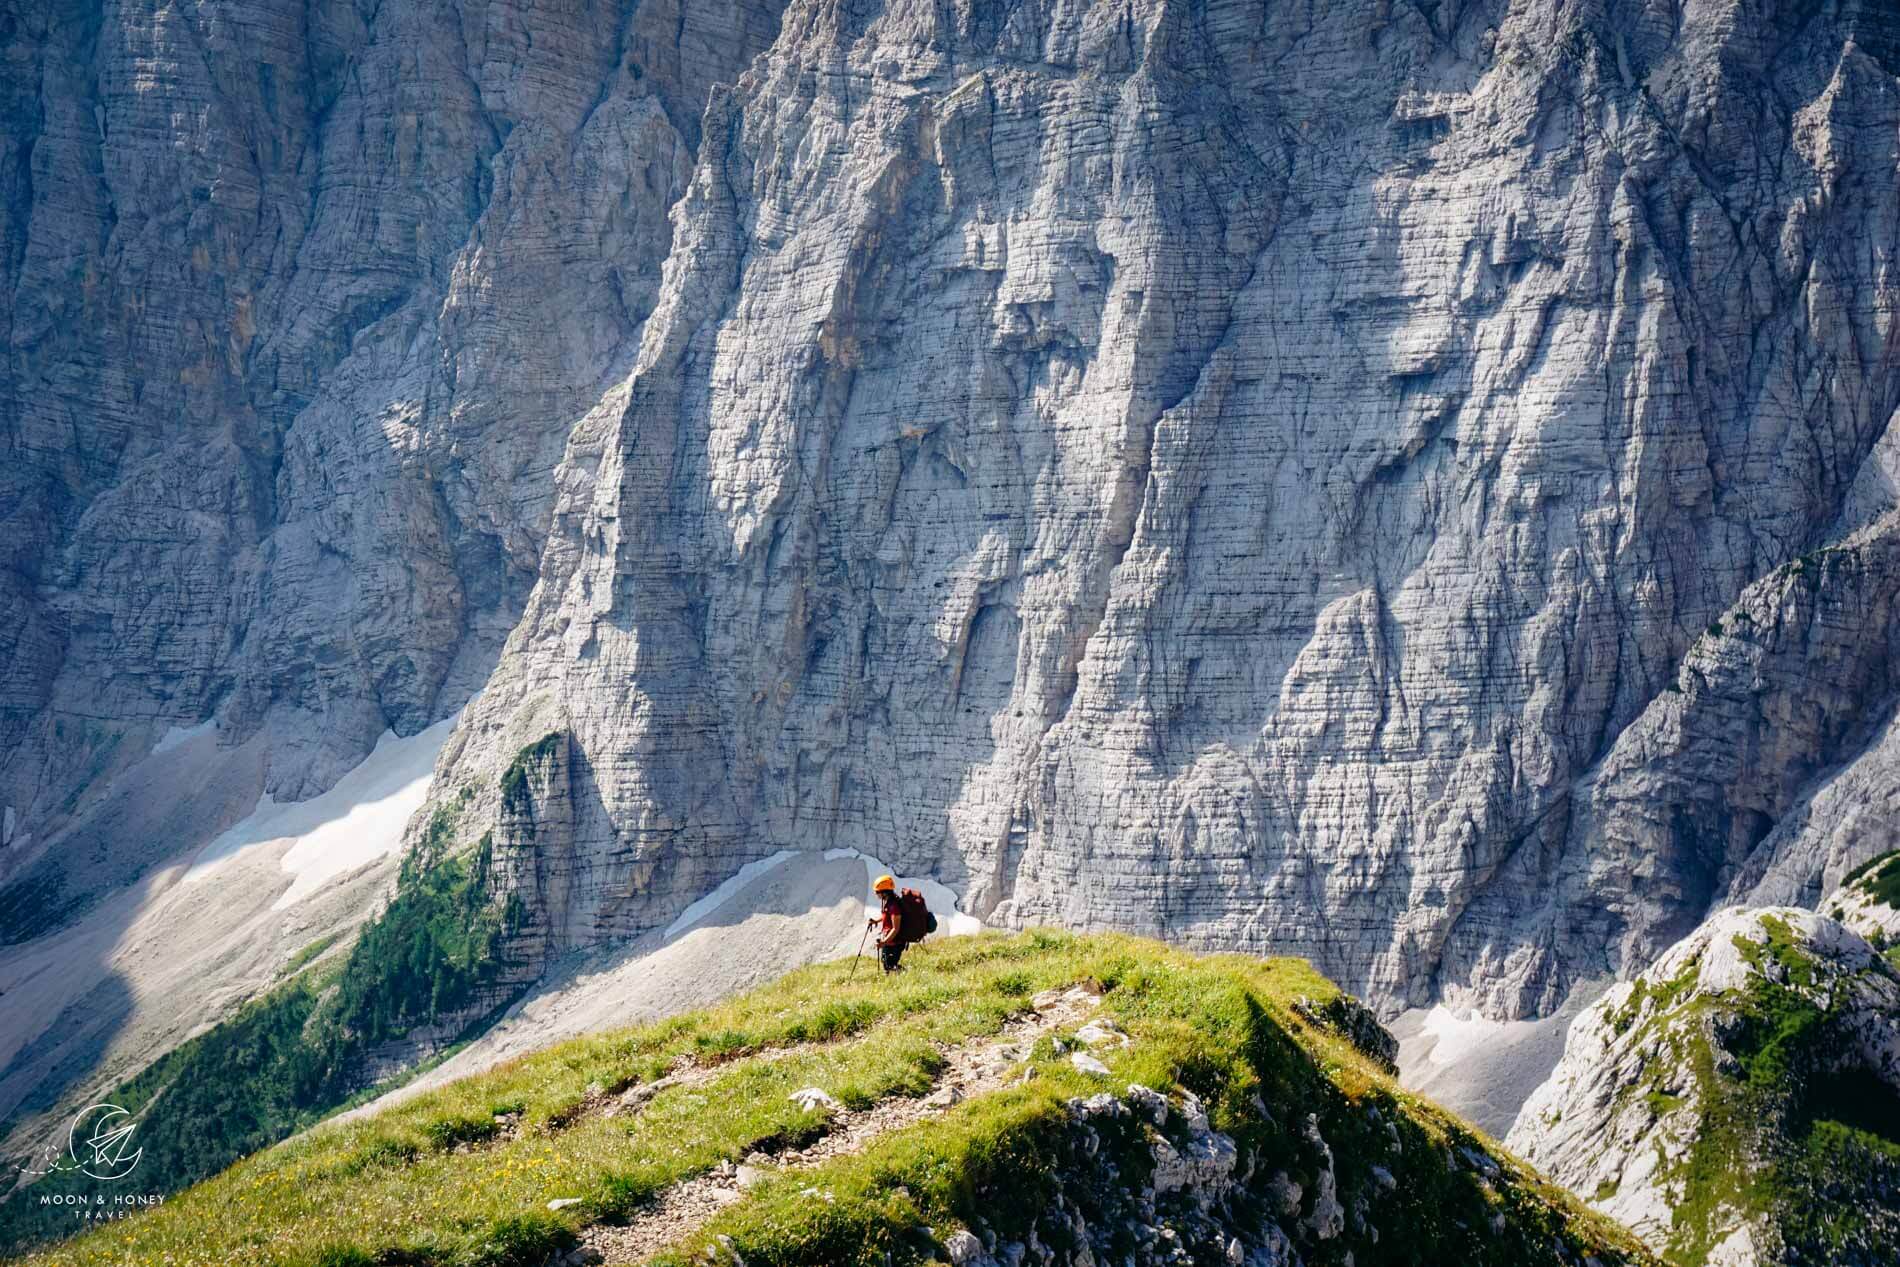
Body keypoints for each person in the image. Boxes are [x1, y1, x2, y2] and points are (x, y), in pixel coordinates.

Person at [870, 874, 907, 973]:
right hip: (890, 940)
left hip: (895, 942)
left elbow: (896, 928)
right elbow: (887, 917)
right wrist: (876, 921)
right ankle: (896, 979)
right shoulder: (889, 903)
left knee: (890, 966)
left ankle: (906, 975)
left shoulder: (894, 906)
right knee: (887, 964)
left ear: (884, 892)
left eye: (877, 892)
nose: (876, 894)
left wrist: (884, 942)